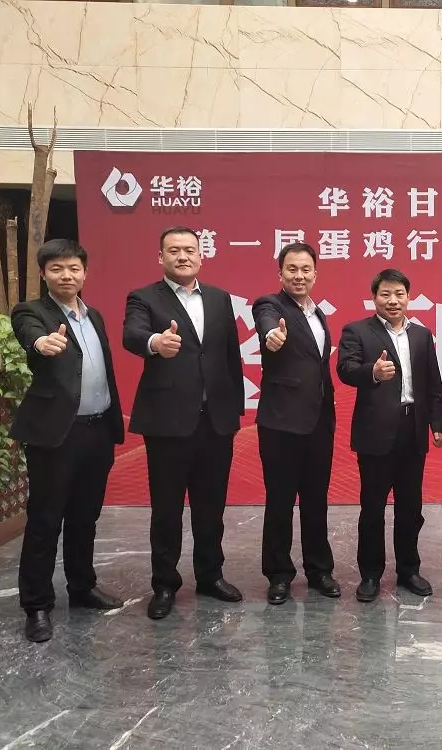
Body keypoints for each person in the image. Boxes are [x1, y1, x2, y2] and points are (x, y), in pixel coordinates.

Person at [122, 226, 245, 620]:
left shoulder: (219, 298)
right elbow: (132, 335)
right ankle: (164, 584)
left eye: (189, 250)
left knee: (211, 506)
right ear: (160, 257)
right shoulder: (144, 297)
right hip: (168, 422)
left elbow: (230, 356)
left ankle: (210, 576)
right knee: (167, 508)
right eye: (173, 250)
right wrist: (155, 344)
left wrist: (234, 409)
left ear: (201, 256)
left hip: (216, 421)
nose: (182, 256)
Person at [10, 239, 125, 643]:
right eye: (57, 269)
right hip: (56, 434)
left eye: (74, 268)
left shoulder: (94, 316)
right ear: (44, 273)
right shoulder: (32, 312)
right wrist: (41, 343)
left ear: (84, 273)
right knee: (45, 520)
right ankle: (37, 605)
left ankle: (81, 587)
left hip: (97, 430)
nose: (66, 276)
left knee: (84, 516)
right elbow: (29, 334)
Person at [336, 269, 442, 602]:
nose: (393, 300)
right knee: (373, 508)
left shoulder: (421, 335)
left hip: (413, 430)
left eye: (399, 293)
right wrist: (371, 372)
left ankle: (409, 570)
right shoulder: (357, 330)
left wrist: (437, 423)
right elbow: (345, 369)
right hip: (375, 433)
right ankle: (370, 575)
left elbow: (433, 382)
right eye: (385, 294)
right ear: (374, 298)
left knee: (410, 507)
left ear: (408, 297)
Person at [253, 242, 338, 605]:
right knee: (280, 501)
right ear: (281, 273)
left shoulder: (318, 314)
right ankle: (278, 574)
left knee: (317, 501)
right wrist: (271, 336)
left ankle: (319, 571)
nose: (299, 276)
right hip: (281, 423)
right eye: (292, 269)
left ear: (315, 274)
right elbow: (267, 325)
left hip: (319, 421)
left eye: (306, 269)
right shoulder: (270, 305)